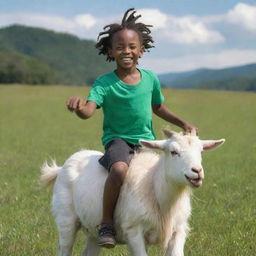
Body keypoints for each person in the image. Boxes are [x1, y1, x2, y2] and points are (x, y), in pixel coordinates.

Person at [66, 8, 198, 249]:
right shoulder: (104, 83)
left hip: (147, 142)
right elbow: (87, 111)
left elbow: (159, 108)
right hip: (118, 142)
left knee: (163, 176)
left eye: (132, 46)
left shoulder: (150, 79)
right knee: (118, 170)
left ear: (141, 49)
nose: (126, 51)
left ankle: (168, 221)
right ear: (110, 51)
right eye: (119, 47)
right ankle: (106, 224)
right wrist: (78, 106)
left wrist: (183, 123)